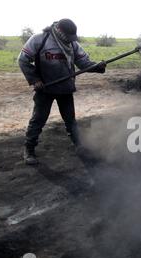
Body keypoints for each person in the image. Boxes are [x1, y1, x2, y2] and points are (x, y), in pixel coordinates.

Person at [18, 18, 106, 165]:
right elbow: (23, 60)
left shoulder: (72, 44)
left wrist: (97, 67)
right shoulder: (40, 39)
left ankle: (80, 146)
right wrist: (35, 80)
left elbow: (83, 63)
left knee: (70, 120)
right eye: (68, 37)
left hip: (65, 88)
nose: (70, 40)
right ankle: (29, 150)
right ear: (59, 31)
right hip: (45, 89)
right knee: (38, 120)